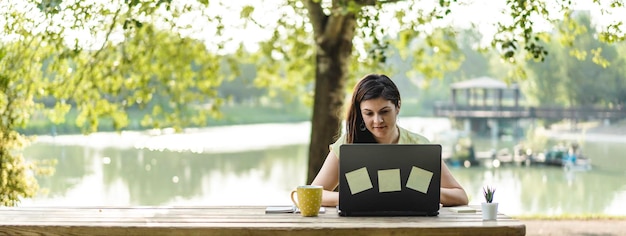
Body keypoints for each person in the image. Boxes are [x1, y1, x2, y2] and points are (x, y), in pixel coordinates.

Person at [311, 74, 469, 207]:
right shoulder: (348, 144)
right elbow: (314, 193)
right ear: (360, 113)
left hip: (412, 226)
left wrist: (426, 192)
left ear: (398, 106)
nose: (377, 120)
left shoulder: (419, 145)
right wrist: (352, 199)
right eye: (369, 113)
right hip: (361, 225)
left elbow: (460, 196)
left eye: (384, 111)